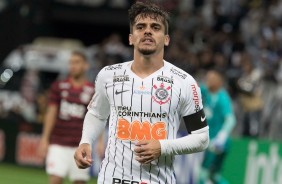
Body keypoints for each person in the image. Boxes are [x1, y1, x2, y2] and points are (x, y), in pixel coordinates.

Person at [74, 2, 209, 184]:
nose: (147, 31)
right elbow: (97, 114)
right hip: (111, 178)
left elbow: (201, 138)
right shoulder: (108, 75)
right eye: (140, 27)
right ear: (130, 38)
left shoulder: (184, 82)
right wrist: (85, 141)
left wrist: (163, 146)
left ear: (166, 39)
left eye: (155, 27)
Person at [38, 51, 96, 184]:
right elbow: (51, 113)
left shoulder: (92, 90)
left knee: (80, 181)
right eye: (71, 63)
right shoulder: (58, 86)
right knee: (55, 180)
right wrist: (44, 139)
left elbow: (95, 117)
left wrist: (98, 142)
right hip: (58, 142)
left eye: (77, 62)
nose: (73, 66)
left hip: (80, 144)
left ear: (85, 66)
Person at [199, 69, 236, 184]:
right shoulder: (206, 92)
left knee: (202, 174)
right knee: (214, 176)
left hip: (217, 142)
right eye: (207, 77)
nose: (208, 80)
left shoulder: (222, 98)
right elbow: (193, 87)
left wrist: (221, 137)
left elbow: (231, 119)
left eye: (211, 78)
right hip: (211, 140)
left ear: (219, 81)